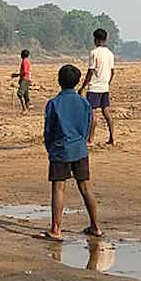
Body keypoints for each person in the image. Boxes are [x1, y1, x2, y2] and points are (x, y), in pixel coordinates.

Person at [40, 64, 98, 241]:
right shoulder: (84, 103)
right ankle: (96, 226)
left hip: (60, 149)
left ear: (59, 81)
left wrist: (50, 147)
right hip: (79, 149)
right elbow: (89, 124)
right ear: (77, 82)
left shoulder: (54, 103)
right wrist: (83, 141)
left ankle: (56, 229)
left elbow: (48, 130)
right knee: (85, 187)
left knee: (59, 187)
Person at [78, 29, 115, 145]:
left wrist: (83, 87)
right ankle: (112, 137)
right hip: (104, 87)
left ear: (96, 39)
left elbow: (90, 71)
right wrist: (107, 83)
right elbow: (112, 72)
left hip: (94, 87)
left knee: (92, 113)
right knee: (106, 112)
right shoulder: (110, 54)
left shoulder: (94, 53)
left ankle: (91, 138)